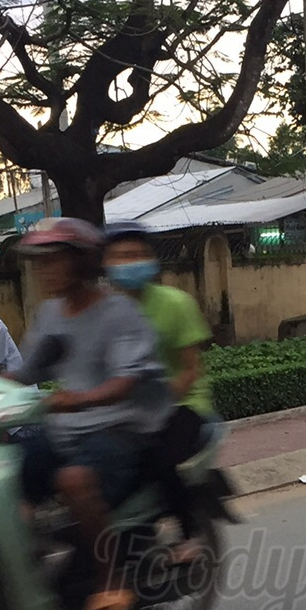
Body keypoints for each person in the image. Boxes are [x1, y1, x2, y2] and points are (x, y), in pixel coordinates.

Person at [11, 217, 170, 610]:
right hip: (67, 430)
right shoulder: (50, 314)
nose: (44, 270)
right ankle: (24, 566)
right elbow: (28, 371)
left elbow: (126, 381)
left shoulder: (119, 312)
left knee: (74, 480)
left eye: (54, 260)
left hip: (121, 429)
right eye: (39, 262)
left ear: (81, 262)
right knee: (10, 467)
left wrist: (80, 399)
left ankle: (111, 580)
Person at [102, 223, 214, 560]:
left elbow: (191, 369)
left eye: (137, 254)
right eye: (121, 256)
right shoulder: (101, 312)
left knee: (158, 459)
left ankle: (187, 534)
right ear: (106, 263)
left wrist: (157, 404)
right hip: (124, 408)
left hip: (182, 405)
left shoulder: (176, 303)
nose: (130, 262)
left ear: (151, 259)